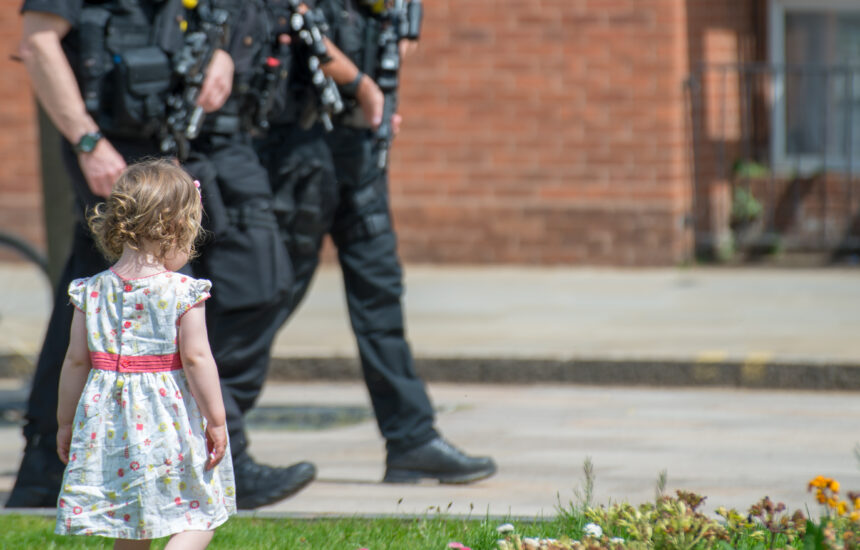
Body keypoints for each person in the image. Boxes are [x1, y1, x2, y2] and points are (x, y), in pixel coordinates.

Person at [7, 0, 311, 510]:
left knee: (261, 277)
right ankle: (215, 451)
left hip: (201, 131)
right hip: (116, 143)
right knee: (125, 298)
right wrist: (87, 141)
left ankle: (188, 433)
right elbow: (38, 43)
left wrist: (225, 54)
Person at [257, 0, 497, 484]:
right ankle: (200, 430)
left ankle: (412, 439)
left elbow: (389, 37)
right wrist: (363, 86)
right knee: (270, 294)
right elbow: (296, 26)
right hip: (302, 149)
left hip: (360, 151)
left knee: (380, 291)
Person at [55, 159, 235, 548]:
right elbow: (196, 359)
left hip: (109, 423)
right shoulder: (183, 291)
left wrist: (65, 422)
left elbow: (76, 361)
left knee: (131, 520)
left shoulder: (90, 290)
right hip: (168, 419)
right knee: (201, 512)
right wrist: (217, 420)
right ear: (176, 227)